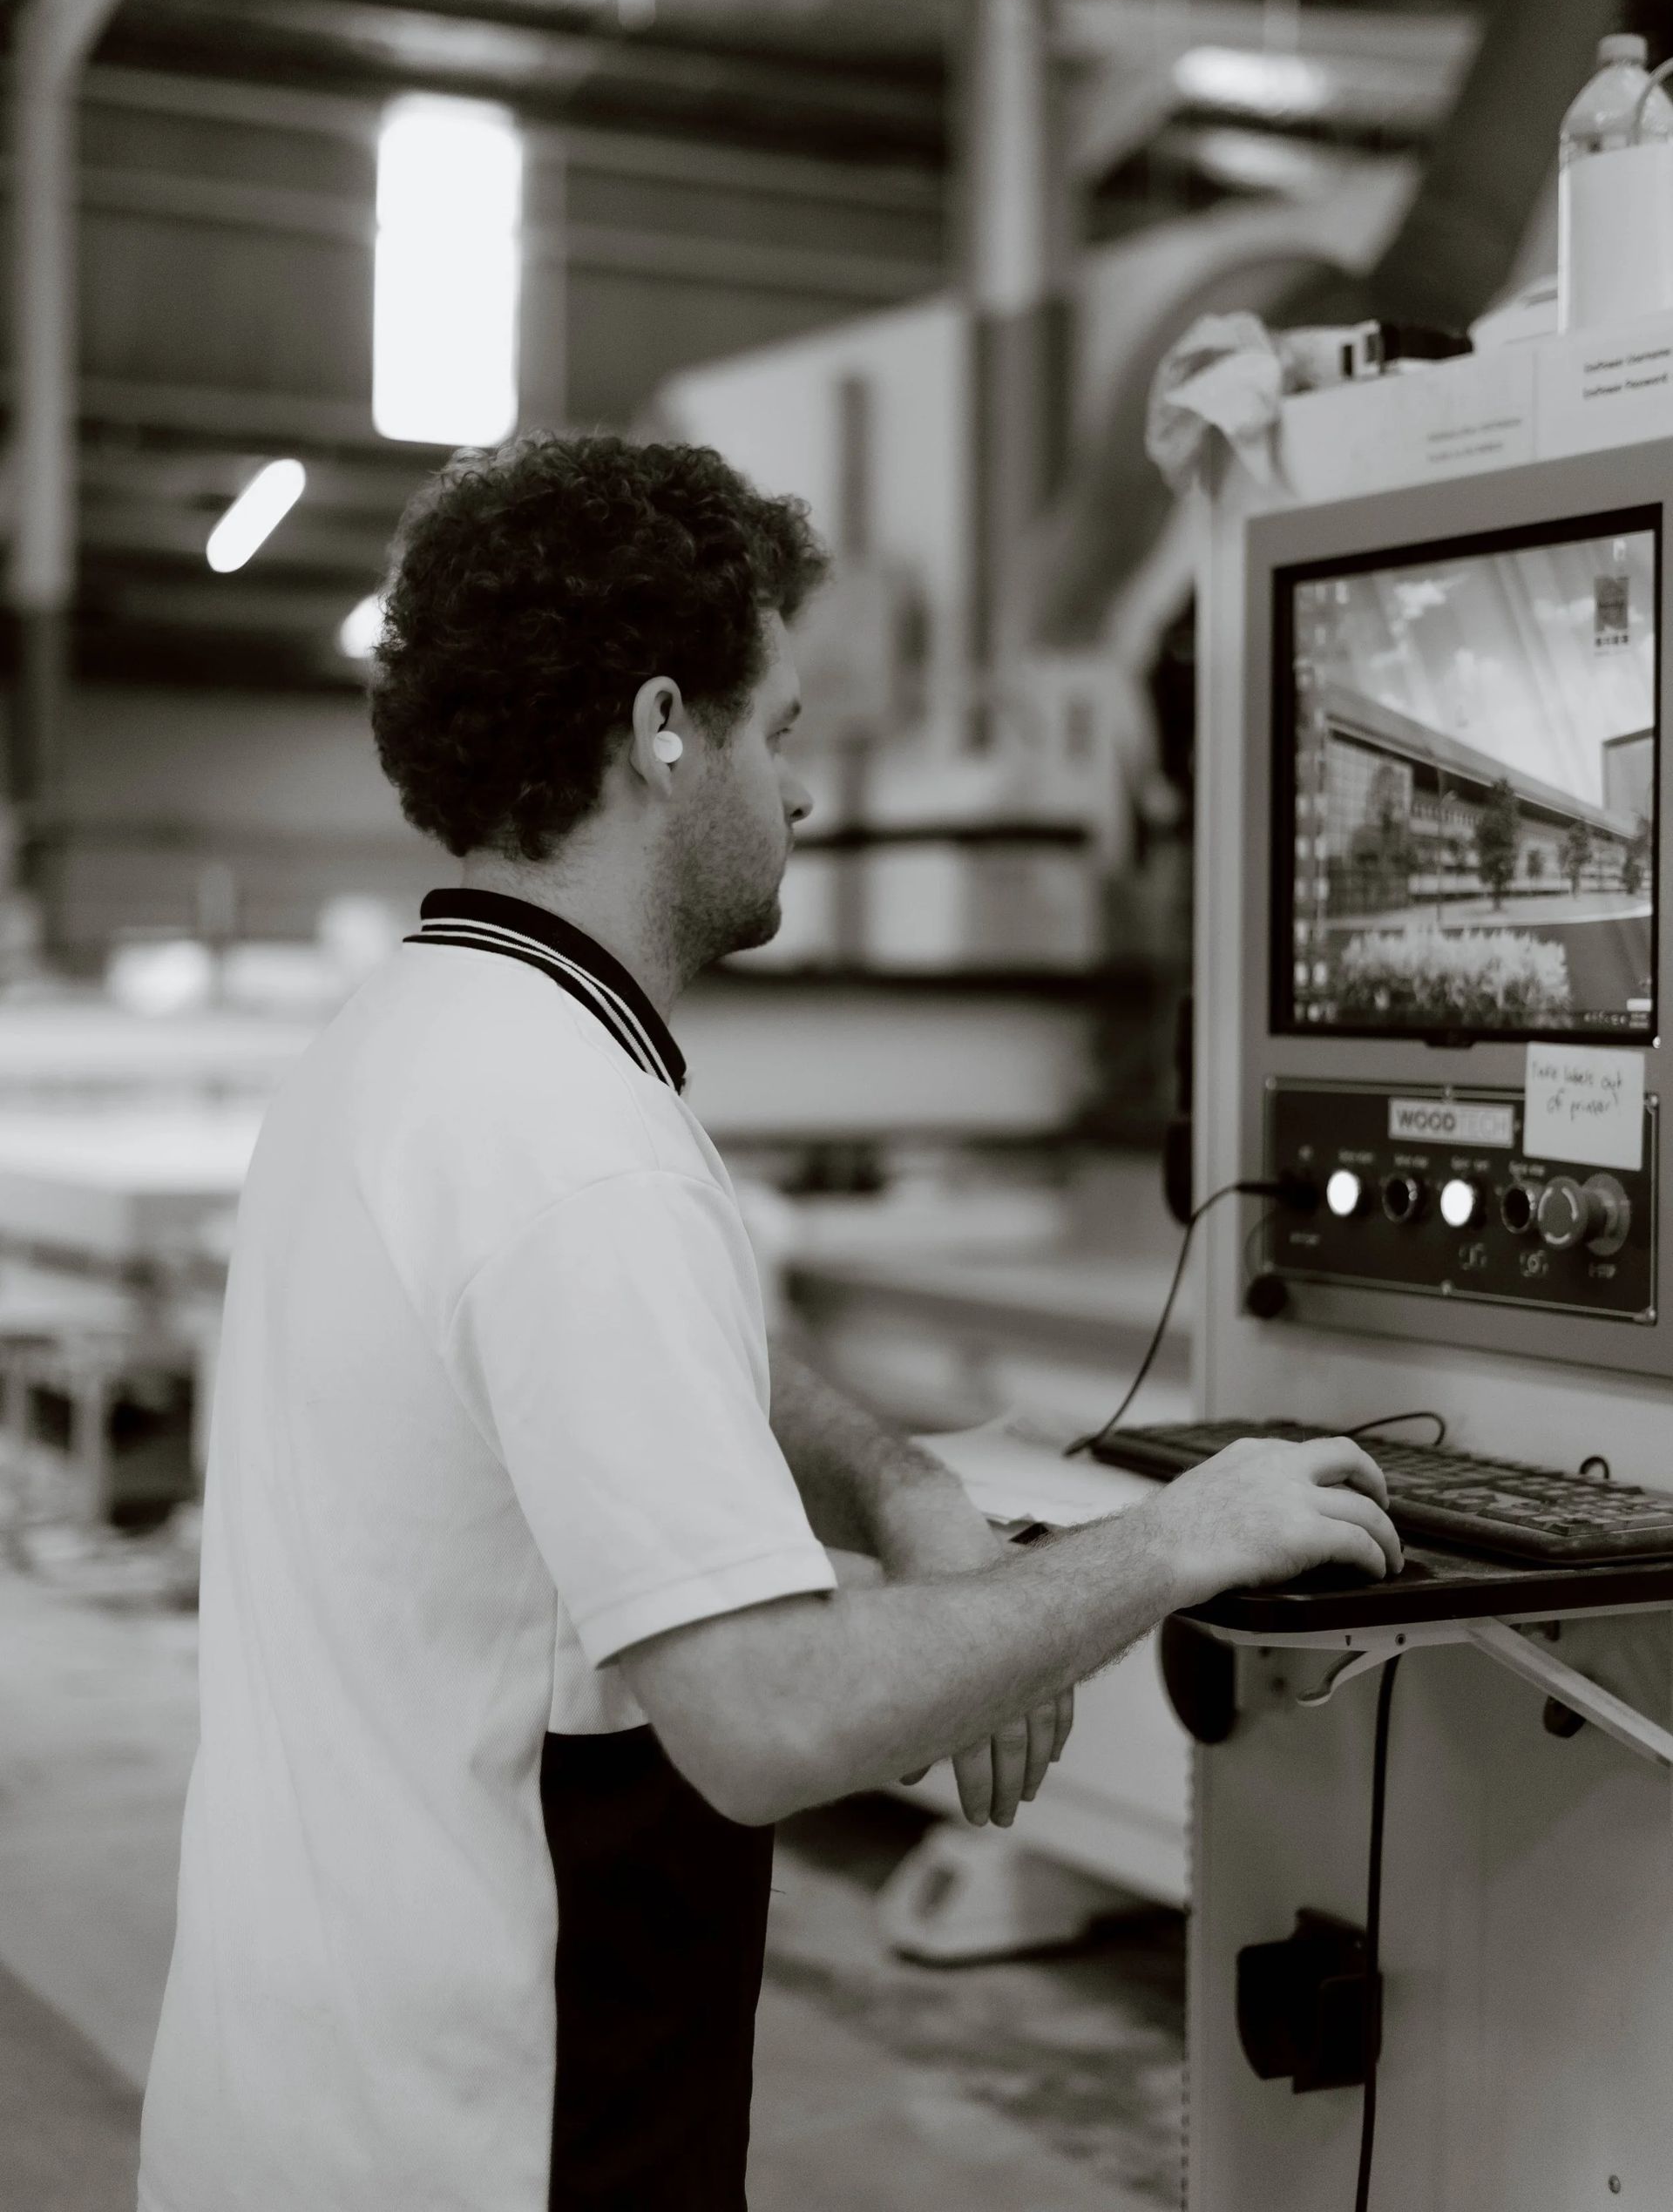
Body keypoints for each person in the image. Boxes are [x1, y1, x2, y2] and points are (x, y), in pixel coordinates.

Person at [139, 433, 1399, 2212]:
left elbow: (629, 1351)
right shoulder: (571, 1146)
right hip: (490, 2143)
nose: (807, 794)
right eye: (784, 731)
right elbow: (767, 1720)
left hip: (289, 2105)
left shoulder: (412, 1040)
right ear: (667, 728)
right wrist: (1179, 1541)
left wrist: (891, 1484)